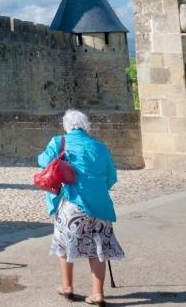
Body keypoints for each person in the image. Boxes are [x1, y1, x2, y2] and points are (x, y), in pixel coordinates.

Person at [38, 109, 124, 306]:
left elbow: (42, 161)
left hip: (72, 204)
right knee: (98, 248)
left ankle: (67, 286)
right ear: (86, 127)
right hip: (100, 205)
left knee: (64, 244)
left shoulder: (60, 142)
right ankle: (97, 294)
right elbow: (111, 177)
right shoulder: (100, 147)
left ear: (66, 126)